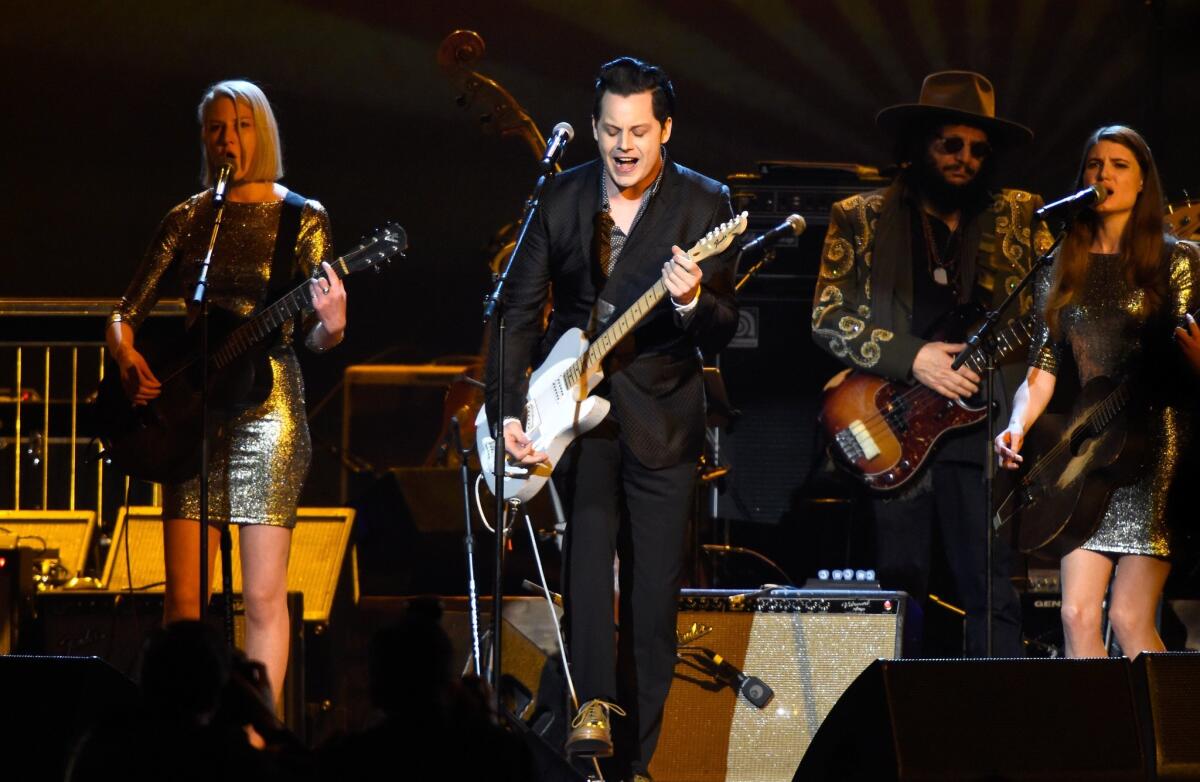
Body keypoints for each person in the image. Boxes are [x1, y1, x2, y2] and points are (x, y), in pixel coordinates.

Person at [484, 57, 737, 780]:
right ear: (593, 128)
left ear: (665, 131)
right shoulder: (559, 200)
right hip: (578, 411)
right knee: (588, 563)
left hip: (663, 414)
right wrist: (507, 411)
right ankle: (589, 714)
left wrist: (690, 302)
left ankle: (645, 760)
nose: (624, 147)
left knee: (653, 601)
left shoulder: (703, 203)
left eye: (639, 132)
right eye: (611, 131)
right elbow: (513, 317)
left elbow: (723, 325)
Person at [107, 79, 345, 706]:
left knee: (263, 597)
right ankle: (183, 729)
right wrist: (126, 353)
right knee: (185, 600)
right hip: (194, 416)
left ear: (261, 132)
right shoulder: (189, 218)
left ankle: (256, 735)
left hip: (270, 413)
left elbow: (317, 337)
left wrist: (333, 326)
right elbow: (124, 312)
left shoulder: (305, 216)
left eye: (239, 126)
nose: (227, 139)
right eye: (216, 128)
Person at [811, 71, 1052, 656]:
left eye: (977, 149)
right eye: (951, 144)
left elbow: (1055, 310)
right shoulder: (860, 217)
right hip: (894, 419)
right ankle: (896, 724)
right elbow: (826, 313)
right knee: (900, 587)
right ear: (919, 143)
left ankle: (992, 730)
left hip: (982, 428)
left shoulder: (1018, 218)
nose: (965, 159)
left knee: (991, 590)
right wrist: (913, 357)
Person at [995, 125, 1200, 657]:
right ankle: (1100, 736)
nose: (1103, 174)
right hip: (1087, 456)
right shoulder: (1063, 265)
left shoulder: (1179, 260)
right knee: (1076, 613)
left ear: (1142, 182)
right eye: (1094, 164)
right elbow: (1044, 364)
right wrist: (1017, 424)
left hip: (1152, 449)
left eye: (1118, 164)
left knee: (1131, 619)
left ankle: (1166, 739)